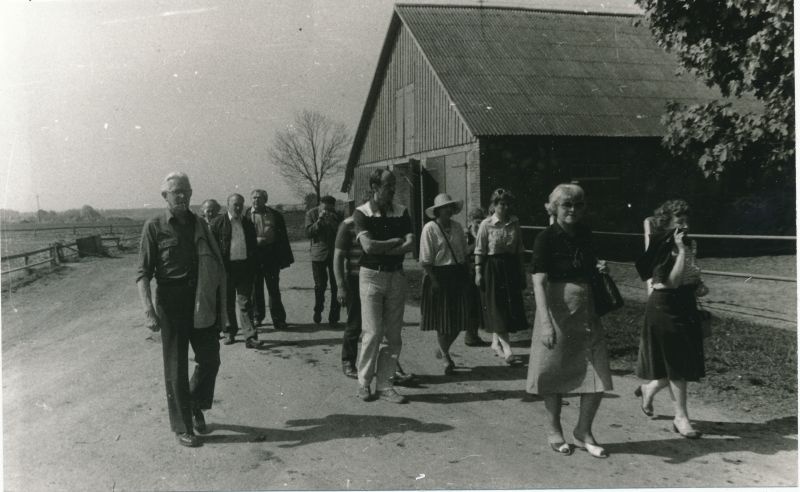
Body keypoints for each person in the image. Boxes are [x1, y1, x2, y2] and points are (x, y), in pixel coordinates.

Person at [136, 172, 227, 448]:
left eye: (186, 191)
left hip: (199, 300)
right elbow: (143, 273)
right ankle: (183, 426)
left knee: (210, 358)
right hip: (171, 303)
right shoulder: (154, 226)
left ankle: (194, 402)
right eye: (176, 192)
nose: (182, 196)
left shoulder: (200, 224)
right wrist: (148, 310)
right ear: (165, 196)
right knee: (175, 366)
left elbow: (216, 265)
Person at [526, 183, 613, 458]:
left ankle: (583, 430)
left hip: (586, 311)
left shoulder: (586, 234)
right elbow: (538, 282)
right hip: (557, 312)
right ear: (554, 208)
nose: (573, 210)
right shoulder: (545, 238)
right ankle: (554, 430)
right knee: (553, 373)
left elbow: (587, 266)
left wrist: (598, 268)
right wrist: (545, 324)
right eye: (566, 205)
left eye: (578, 204)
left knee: (598, 374)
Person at [634, 199, 707, 439]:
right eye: (679, 221)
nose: (685, 226)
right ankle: (681, 417)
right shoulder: (662, 246)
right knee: (677, 364)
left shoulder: (690, 243)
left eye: (687, 221)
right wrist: (681, 251)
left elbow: (690, 273)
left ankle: (649, 389)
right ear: (668, 223)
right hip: (665, 306)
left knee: (681, 362)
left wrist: (698, 284)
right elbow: (671, 282)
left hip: (685, 304)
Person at [334, 205, 416, 385]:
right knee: (356, 322)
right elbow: (338, 256)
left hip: (380, 276)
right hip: (356, 278)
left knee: (386, 327)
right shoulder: (348, 225)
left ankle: (392, 369)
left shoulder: (383, 224)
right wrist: (341, 286)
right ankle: (348, 361)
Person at [353, 169, 415, 403]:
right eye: (388, 185)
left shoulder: (401, 211)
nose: (392, 189)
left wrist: (387, 248)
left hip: (395, 276)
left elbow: (410, 244)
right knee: (373, 332)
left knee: (393, 334)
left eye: (394, 185)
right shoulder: (362, 213)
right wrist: (393, 242)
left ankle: (386, 385)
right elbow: (368, 247)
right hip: (371, 276)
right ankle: (364, 383)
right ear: (374, 186)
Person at [473, 188, 528, 365]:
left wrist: (521, 272)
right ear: (494, 205)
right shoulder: (486, 224)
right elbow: (480, 250)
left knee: (507, 307)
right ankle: (508, 350)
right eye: (500, 204)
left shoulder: (514, 223)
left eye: (506, 204)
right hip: (493, 268)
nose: (504, 207)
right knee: (497, 307)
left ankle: (496, 343)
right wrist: (478, 272)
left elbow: (519, 249)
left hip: (510, 269)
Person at [419, 193, 472, 375]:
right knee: (444, 321)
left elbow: (464, 253)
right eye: (445, 208)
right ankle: (446, 357)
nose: (449, 210)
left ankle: (443, 349)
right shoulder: (430, 229)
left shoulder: (457, 227)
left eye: (450, 207)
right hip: (438, 275)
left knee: (460, 320)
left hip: (457, 275)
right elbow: (425, 260)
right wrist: (434, 281)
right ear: (437, 211)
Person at [210, 193, 260, 348]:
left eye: (240, 204)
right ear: (227, 205)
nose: (238, 207)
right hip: (226, 269)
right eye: (235, 204)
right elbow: (212, 248)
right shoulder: (217, 223)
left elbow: (253, 247)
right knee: (228, 302)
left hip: (244, 268)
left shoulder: (247, 223)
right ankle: (229, 332)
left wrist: (253, 266)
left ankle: (250, 337)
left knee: (246, 302)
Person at [246, 189, 294, 330]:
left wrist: (283, 258)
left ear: (265, 200)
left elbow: (282, 237)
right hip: (253, 257)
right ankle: (257, 316)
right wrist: (255, 241)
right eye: (254, 198)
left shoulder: (275, 215)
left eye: (259, 198)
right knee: (256, 288)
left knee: (273, 289)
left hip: (270, 256)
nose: (256, 200)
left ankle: (278, 319)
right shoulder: (246, 215)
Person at [305, 195, 343, 325]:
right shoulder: (311, 213)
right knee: (320, 286)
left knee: (336, 286)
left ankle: (334, 316)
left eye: (330, 208)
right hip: (318, 254)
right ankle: (318, 310)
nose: (327, 210)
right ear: (320, 205)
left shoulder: (338, 214)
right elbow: (308, 233)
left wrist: (333, 221)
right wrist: (319, 222)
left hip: (335, 255)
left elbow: (342, 233)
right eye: (324, 207)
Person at [463, 207, 490, 347]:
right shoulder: (466, 235)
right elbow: (463, 252)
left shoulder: (483, 232)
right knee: (471, 303)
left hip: (480, 271)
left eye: (481, 222)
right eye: (476, 222)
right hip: (468, 273)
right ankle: (470, 335)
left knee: (480, 303)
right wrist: (476, 245)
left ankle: (475, 333)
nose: (478, 225)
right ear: (470, 221)